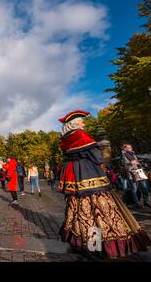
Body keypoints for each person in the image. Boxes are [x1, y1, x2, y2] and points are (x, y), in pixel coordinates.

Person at [57, 110, 151, 259]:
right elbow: (95, 155)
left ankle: (80, 242)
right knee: (97, 207)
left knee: (78, 208)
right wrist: (102, 165)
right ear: (75, 124)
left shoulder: (64, 139)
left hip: (73, 174)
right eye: (82, 121)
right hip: (88, 173)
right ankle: (95, 246)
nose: (84, 123)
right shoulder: (81, 135)